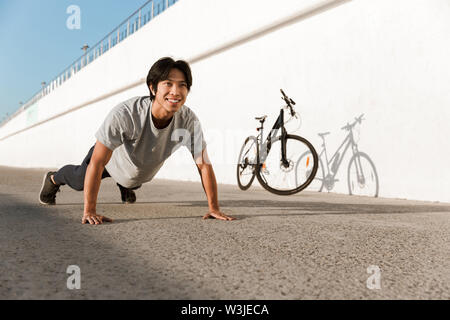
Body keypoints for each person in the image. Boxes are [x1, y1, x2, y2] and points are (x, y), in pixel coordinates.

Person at [39, 57, 235, 224]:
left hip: (137, 168)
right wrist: (89, 211)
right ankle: (53, 178)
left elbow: (204, 165)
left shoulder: (188, 121)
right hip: (109, 159)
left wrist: (214, 208)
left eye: (182, 85)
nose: (175, 91)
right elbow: (98, 162)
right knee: (79, 180)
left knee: (133, 180)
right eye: (168, 83)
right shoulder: (126, 114)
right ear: (152, 87)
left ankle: (125, 186)